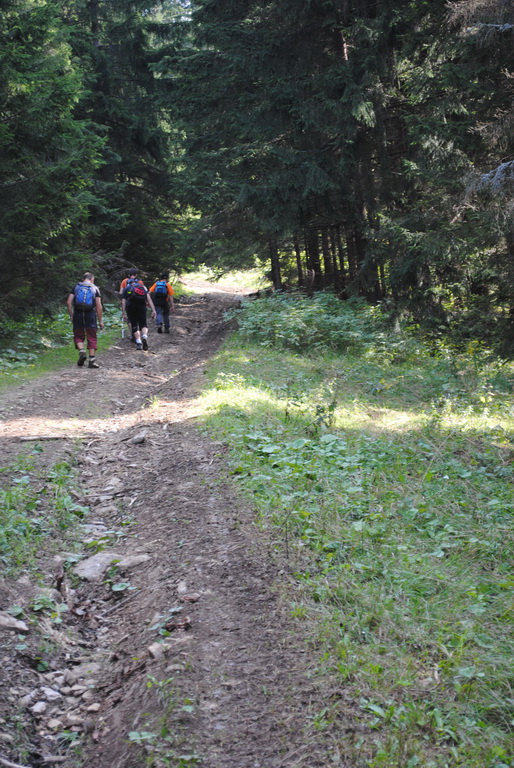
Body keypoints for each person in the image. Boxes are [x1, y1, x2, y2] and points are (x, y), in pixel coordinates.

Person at [67, 272, 104, 369]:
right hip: (90, 314)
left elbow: (68, 302)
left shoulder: (76, 287)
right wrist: (100, 321)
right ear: (92, 279)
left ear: (83, 279)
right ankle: (92, 360)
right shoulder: (95, 288)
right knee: (92, 336)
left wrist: (71, 315)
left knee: (78, 335)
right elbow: (99, 306)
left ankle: (82, 351)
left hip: (78, 314)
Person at [121, 276, 156, 350]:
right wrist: (153, 310)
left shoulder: (127, 288)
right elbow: (149, 299)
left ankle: (138, 341)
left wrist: (123, 312)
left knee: (134, 324)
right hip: (142, 307)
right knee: (143, 324)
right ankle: (144, 336)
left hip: (131, 307)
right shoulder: (142, 287)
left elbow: (123, 301)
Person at [119, 268, 145, 341]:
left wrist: (123, 298)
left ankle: (133, 334)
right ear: (136, 275)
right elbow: (144, 292)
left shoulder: (124, 281)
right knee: (139, 320)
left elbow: (121, 292)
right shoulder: (140, 282)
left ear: (128, 275)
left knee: (130, 319)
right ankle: (140, 335)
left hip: (129, 303)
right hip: (140, 303)